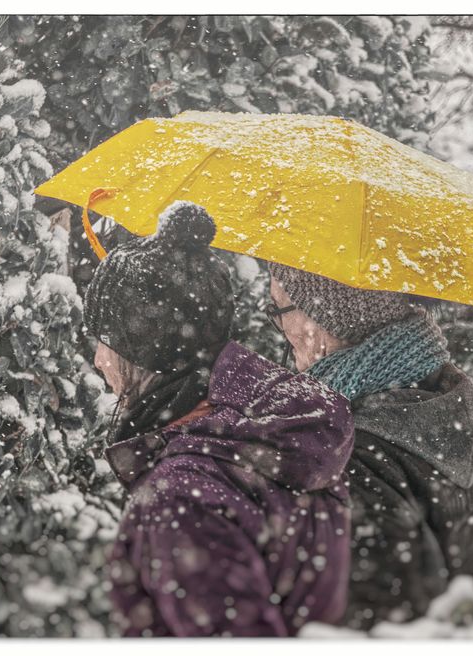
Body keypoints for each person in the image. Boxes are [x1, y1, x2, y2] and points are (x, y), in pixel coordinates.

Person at [85, 202, 355, 637]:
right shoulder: (284, 432)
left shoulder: (183, 496)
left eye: (103, 342)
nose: (98, 361)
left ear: (142, 351)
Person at [267, 263, 473, 630]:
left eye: (279, 310)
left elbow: (371, 628)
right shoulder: (432, 403)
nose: (281, 328)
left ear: (324, 323)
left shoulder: (350, 457)